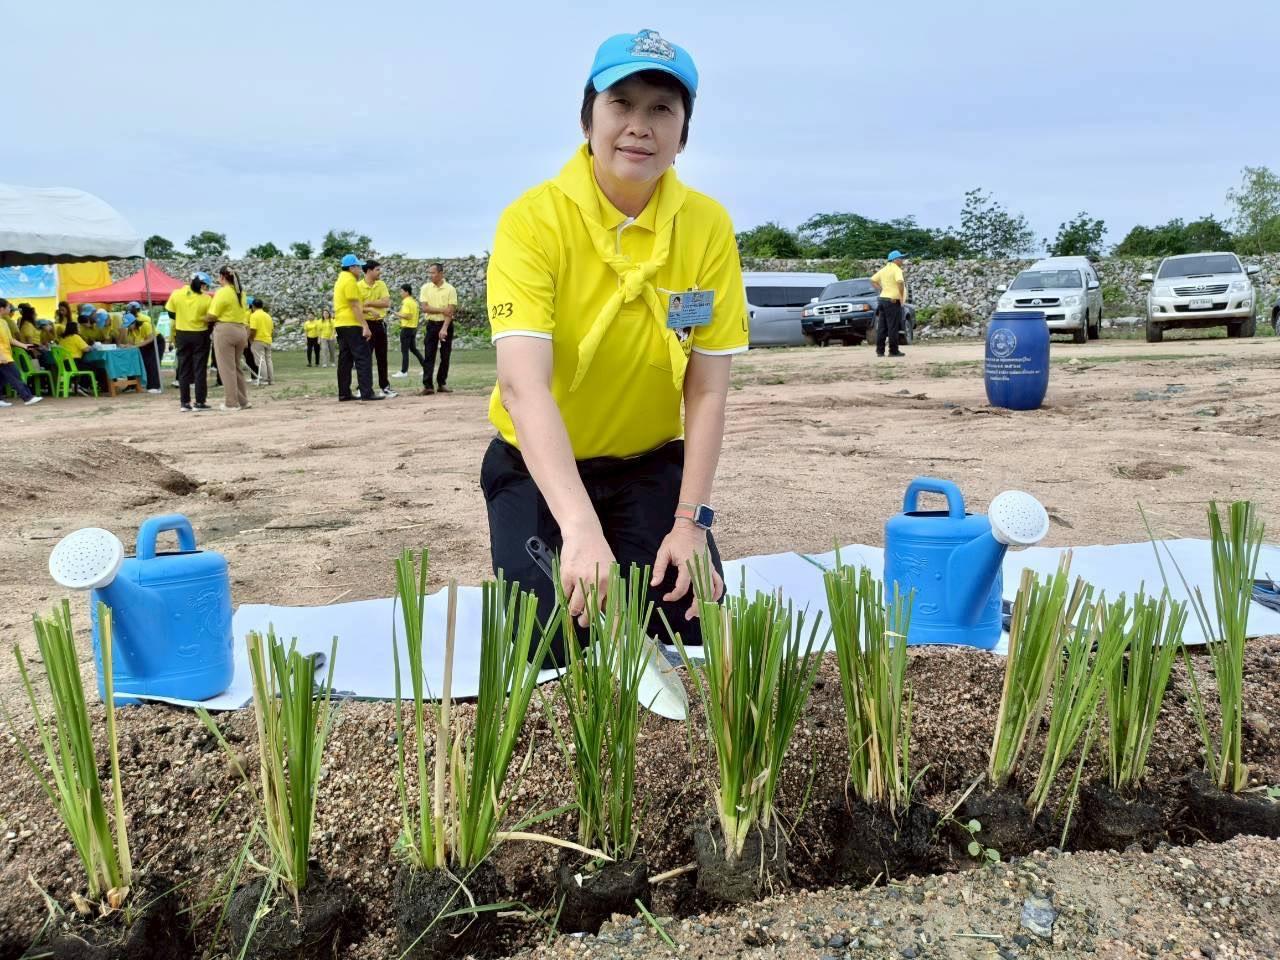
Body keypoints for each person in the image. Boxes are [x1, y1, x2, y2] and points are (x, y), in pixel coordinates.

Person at [481, 29, 748, 665]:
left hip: (649, 465)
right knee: (553, 648)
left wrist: (690, 523)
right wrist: (578, 528)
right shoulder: (533, 221)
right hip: (539, 470)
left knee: (692, 631)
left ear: (683, 133)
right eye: (620, 103)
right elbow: (523, 386)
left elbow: (707, 391)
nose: (639, 126)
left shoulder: (707, 226)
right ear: (587, 119)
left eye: (662, 109)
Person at [333, 254, 380, 402]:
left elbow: (348, 305)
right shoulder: (350, 281)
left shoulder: (340, 280)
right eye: (358, 267)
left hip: (341, 324)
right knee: (363, 358)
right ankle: (367, 392)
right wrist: (365, 326)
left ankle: (344, 393)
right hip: (352, 324)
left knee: (345, 360)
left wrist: (368, 309)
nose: (360, 270)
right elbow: (353, 306)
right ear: (351, 267)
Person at [167, 272, 216, 412]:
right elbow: (211, 318)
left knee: (183, 369)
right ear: (203, 285)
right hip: (200, 334)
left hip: (182, 334)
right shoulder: (206, 299)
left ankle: (184, 403)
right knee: (199, 369)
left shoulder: (176, 294)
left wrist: (183, 318)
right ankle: (200, 402)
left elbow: (171, 313)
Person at [207, 265, 251, 410]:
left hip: (225, 330)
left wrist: (201, 318)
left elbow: (212, 314)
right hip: (240, 330)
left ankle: (231, 403)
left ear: (222, 277)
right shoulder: (241, 293)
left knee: (226, 369)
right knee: (236, 367)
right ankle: (243, 401)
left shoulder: (222, 292)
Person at [419, 262, 458, 395]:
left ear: (441, 273)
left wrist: (444, 328)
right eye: (429, 273)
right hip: (431, 325)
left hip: (446, 324)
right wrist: (442, 310)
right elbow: (425, 308)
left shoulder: (450, 289)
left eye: (433, 273)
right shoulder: (425, 288)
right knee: (429, 355)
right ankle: (428, 385)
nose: (430, 275)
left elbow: (450, 311)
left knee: (445, 355)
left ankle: (442, 383)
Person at [358, 260, 395, 397]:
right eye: (377, 270)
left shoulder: (381, 284)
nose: (380, 272)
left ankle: (385, 387)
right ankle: (362, 388)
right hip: (366, 325)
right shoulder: (358, 286)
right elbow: (357, 307)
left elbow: (386, 303)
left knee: (382, 357)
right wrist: (369, 307)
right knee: (365, 358)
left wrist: (368, 302)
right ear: (369, 271)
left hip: (380, 324)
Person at [0, 299, 43, 407]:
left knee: (2, 378)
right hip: (3, 355)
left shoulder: (4, 322)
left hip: (6, 354)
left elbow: (10, 339)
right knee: (15, 375)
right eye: (9, 307)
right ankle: (27, 397)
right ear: (2, 309)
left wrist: (24, 345)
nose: (10, 310)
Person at [871, 250, 908, 358]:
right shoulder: (896, 269)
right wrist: (901, 295)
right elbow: (900, 282)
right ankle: (893, 351)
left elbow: (872, 280)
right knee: (893, 326)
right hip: (892, 301)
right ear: (895, 260)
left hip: (882, 300)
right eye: (901, 258)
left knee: (882, 327)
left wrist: (882, 289)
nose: (902, 260)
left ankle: (880, 351)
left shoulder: (884, 270)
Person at [122, 302, 163, 393]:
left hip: (157, 342)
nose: (128, 327)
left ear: (134, 322)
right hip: (146, 344)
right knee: (146, 363)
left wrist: (136, 345)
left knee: (153, 363)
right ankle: (149, 385)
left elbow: (151, 338)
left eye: (129, 325)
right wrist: (127, 345)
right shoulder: (131, 330)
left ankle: (156, 386)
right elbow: (132, 342)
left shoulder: (145, 325)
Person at [393, 283, 425, 378]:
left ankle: (404, 371)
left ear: (406, 292)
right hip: (413, 328)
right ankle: (426, 367)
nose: (400, 293)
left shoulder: (406, 302)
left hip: (406, 329)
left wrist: (396, 313)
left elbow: (408, 316)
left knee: (405, 351)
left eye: (401, 291)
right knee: (413, 349)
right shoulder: (414, 302)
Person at [248, 297, 275, 386]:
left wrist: (250, 339)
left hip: (258, 339)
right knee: (268, 360)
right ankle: (271, 379)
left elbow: (253, 329)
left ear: (253, 306)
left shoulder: (254, 315)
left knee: (260, 361)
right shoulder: (267, 316)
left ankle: (264, 379)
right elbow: (272, 329)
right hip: (268, 339)